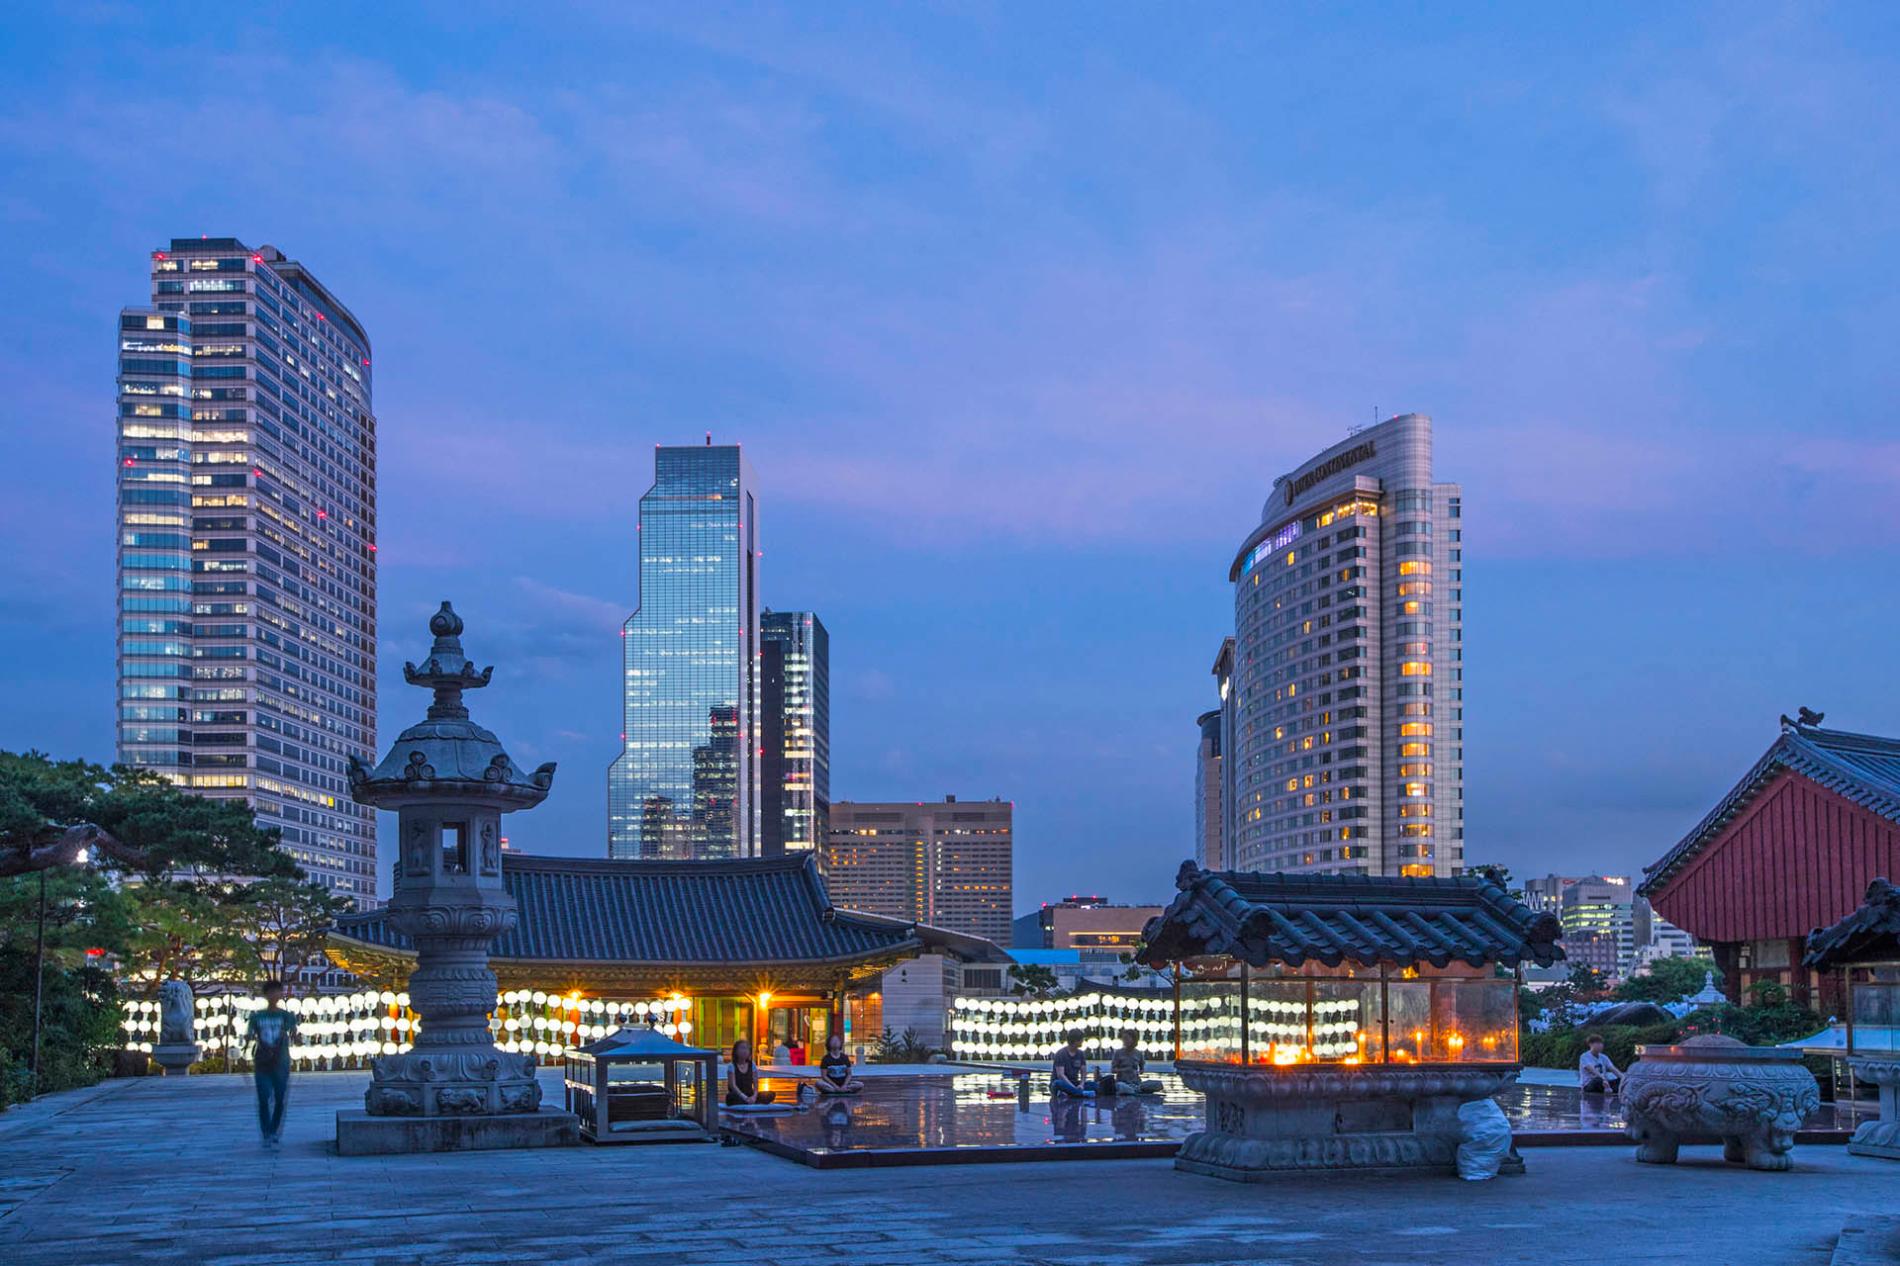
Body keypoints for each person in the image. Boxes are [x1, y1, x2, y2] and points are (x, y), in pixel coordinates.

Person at [246, 980, 298, 1146]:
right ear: (266, 995)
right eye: (272, 992)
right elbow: (249, 1035)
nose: (275, 995)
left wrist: (294, 1032)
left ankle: (274, 1130)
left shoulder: (287, 1016)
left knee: (280, 1098)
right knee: (263, 1097)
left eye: (278, 992)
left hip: (281, 1062)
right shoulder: (256, 1016)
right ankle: (266, 1131)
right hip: (262, 1062)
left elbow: (294, 1034)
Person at [1107, 1028, 1164, 1095]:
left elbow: (1142, 1069)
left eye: (1126, 1038)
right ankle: (1133, 1090)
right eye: (1123, 1039)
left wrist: (1140, 1071)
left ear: (1133, 1040)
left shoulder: (1138, 1053)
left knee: (1158, 1084)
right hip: (1122, 1083)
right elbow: (1113, 1070)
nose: (1124, 1041)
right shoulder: (1118, 1053)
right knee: (1121, 1086)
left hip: (1136, 1083)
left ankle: (1136, 1089)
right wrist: (1124, 1070)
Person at [726, 1039, 777, 1106]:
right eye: (742, 1048)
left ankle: (752, 1101)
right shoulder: (731, 1066)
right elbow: (733, 1086)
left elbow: (756, 1084)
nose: (745, 1051)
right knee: (731, 1097)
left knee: (770, 1094)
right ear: (736, 1051)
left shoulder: (752, 1064)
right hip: (738, 1095)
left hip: (750, 1094)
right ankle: (749, 1102)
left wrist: (754, 1096)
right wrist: (745, 1098)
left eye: (747, 1049)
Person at [1051, 1028, 1093, 1097]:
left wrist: (1081, 1084)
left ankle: (1074, 1093)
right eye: (1081, 1040)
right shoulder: (1061, 1053)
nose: (1083, 1041)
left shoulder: (1081, 1053)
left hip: (1075, 1082)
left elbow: (1083, 1072)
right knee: (1057, 1083)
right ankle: (1080, 1093)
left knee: (1094, 1085)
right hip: (1063, 1083)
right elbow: (1060, 1075)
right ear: (1076, 1041)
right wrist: (1073, 1087)